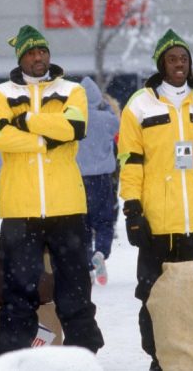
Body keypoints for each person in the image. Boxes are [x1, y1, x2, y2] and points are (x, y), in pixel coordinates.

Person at [0, 25, 104, 356]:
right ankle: (10, 358)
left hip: (66, 206)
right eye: (31, 52)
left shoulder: (72, 90)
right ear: (21, 57)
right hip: (19, 209)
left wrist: (24, 121)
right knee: (18, 292)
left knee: (76, 291)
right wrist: (46, 139)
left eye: (42, 51)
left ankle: (85, 355)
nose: (38, 57)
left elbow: (75, 128)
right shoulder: (1, 94)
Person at [118, 29, 193, 371]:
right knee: (154, 297)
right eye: (172, 59)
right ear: (161, 64)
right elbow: (131, 163)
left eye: (183, 59)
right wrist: (133, 209)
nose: (178, 64)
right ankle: (159, 358)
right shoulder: (139, 104)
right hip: (156, 223)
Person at [76, 76, 119, 286]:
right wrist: (106, 108)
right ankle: (101, 252)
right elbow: (116, 124)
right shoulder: (106, 118)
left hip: (78, 179)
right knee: (104, 222)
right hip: (102, 178)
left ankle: (86, 266)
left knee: (81, 226)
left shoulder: (75, 120)